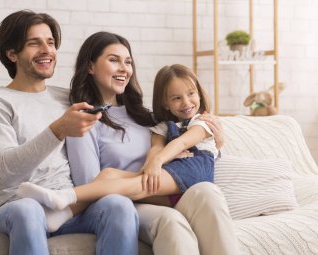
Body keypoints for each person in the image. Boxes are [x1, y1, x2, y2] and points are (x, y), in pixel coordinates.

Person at [30, 31, 238, 255]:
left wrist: (218, 143)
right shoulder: (84, 121)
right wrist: (155, 191)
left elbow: (189, 153)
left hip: (167, 191)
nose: (124, 68)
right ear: (90, 67)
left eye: (128, 62)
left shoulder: (146, 116)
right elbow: (92, 186)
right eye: (113, 60)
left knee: (208, 191)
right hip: (129, 204)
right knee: (171, 222)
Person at [0, 10, 140, 255]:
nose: (46, 50)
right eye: (34, 43)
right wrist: (58, 130)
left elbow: (123, 120)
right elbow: (4, 171)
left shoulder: (67, 98)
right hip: (15, 205)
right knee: (28, 210)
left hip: (70, 207)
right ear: (12, 54)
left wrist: (188, 122)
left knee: (119, 205)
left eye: (50, 42)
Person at [18, 63, 218, 211]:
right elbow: (155, 147)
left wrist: (158, 161)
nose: (186, 102)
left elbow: (183, 142)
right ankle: (64, 215)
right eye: (176, 98)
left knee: (134, 185)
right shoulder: (164, 125)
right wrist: (149, 166)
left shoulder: (203, 122)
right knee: (108, 175)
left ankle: (65, 197)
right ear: (166, 104)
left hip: (192, 176)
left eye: (191, 94)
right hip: (168, 184)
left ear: (199, 94)